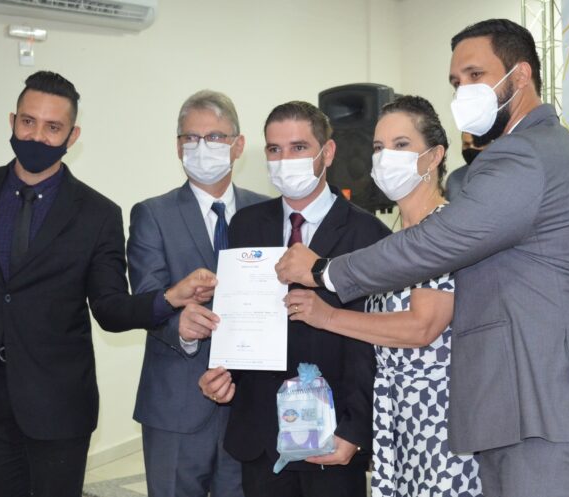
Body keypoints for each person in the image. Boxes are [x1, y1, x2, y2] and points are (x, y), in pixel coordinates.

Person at [276, 19, 569, 497]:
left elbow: (437, 242)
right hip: (524, 412)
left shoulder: (526, 155)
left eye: (475, 75)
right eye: (455, 81)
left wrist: (325, 271)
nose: (463, 91)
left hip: (557, 411)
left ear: (520, 75)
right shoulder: (528, 152)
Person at [0, 71, 213, 497]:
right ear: (12, 121)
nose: (37, 136)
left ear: (72, 135)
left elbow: (110, 308)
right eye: (28, 122)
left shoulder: (97, 213)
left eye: (52, 127)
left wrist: (168, 298)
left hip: (59, 407)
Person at [285, 95, 482, 497]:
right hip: (397, 419)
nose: (385, 157)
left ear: (434, 156)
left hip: (441, 422)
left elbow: (421, 327)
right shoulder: (397, 238)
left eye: (401, 144)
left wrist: (326, 316)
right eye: (378, 147)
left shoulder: (444, 229)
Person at [199, 101, 390, 497]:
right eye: (275, 149)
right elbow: (239, 316)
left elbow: (372, 343)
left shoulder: (368, 234)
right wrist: (223, 374)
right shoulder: (246, 224)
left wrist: (356, 429)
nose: (285, 160)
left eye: (299, 147)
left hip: (333, 434)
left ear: (328, 152)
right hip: (261, 434)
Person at [126, 90, 268, 497]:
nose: (202, 147)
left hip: (248, 403)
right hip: (176, 404)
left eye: (216, 137)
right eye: (191, 137)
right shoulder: (152, 214)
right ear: (178, 147)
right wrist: (181, 327)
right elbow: (148, 296)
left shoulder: (266, 212)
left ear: (238, 145)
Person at [445, 132, 486, 201]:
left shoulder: (501, 177)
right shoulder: (454, 178)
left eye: (477, 144)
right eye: (466, 144)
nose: (471, 148)